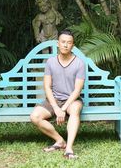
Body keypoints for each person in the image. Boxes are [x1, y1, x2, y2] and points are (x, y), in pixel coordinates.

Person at [30, 29, 85, 159]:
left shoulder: (79, 63)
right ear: (57, 43)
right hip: (53, 100)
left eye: (69, 42)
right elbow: (47, 87)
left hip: (71, 100)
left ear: (73, 45)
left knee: (76, 109)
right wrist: (56, 108)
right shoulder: (50, 62)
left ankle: (69, 149)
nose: (66, 45)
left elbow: (77, 91)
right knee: (34, 116)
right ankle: (60, 141)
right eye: (63, 42)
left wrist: (63, 109)